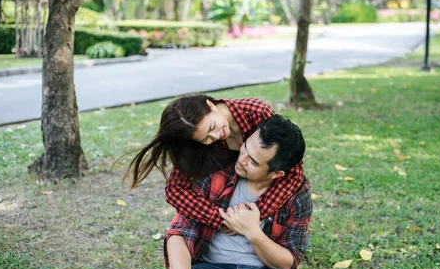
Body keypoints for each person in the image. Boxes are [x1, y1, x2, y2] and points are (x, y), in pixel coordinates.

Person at [154, 115, 318, 269]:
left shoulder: (295, 194)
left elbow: (285, 263)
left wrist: (252, 232)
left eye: (253, 162)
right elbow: (179, 233)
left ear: (276, 174)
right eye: (245, 148)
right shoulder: (216, 173)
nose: (241, 159)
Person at [124, 94, 305, 238]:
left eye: (212, 126)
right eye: (206, 138)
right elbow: (175, 190)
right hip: (221, 199)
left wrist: (251, 216)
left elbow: (293, 171)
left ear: (210, 105)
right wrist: (222, 219)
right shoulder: (195, 141)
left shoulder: (256, 112)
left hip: (261, 195)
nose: (217, 136)